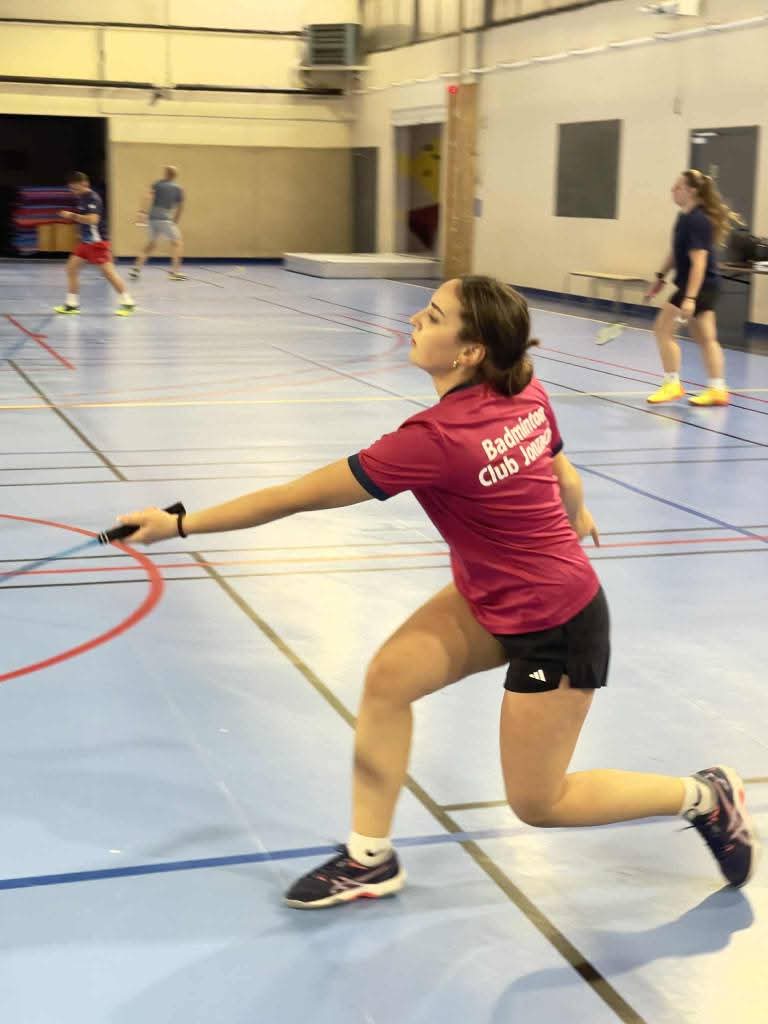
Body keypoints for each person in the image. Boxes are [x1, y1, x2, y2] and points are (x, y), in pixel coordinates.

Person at [116, 275, 758, 908]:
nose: (414, 321)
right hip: (491, 596)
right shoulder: (525, 387)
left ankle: (705, 796)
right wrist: (572, 514)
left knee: (540, 803)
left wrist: (179, 524)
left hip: (556, 625)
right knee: (389, 679)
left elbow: (293, 498)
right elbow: (562, 469)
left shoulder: (434, 441)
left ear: (469, 351)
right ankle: (369, 859)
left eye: (431, 315)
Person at [645, 169, 740, 406]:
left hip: (699, 286)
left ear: (692, 191)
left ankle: (672, 385)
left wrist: (690, 298)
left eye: (678, 187)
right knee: (706, 337)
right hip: (700, 285)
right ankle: (717, 389)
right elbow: (675, 252)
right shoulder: (684, 218)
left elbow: (699, 263)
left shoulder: (698, 220)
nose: (673, 190)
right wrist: (660, 277)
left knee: (662, 329)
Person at [54, 172, 135, 316]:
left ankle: (128, 302)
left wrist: (71, 215)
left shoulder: (93, 198)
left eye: (75, 188)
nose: (73, 192)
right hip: (85, 243)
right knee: (71, 269)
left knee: (109, 273)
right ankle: (72, 305)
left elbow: (93, 219)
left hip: (97, 243)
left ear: (85, 184)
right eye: (71, 189)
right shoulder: (82, 198)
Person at [129, 166, 185, 281]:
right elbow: (180, 207)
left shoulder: (157, 184)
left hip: (152, 219)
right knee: (177, 243)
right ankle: (175, 273)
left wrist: (142, 212)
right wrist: (175, 220)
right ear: (175, 175)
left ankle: (136, 268)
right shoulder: (178, 188)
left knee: (151, 244)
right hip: (165, 219)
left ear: (165, 173)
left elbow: (147, 197)